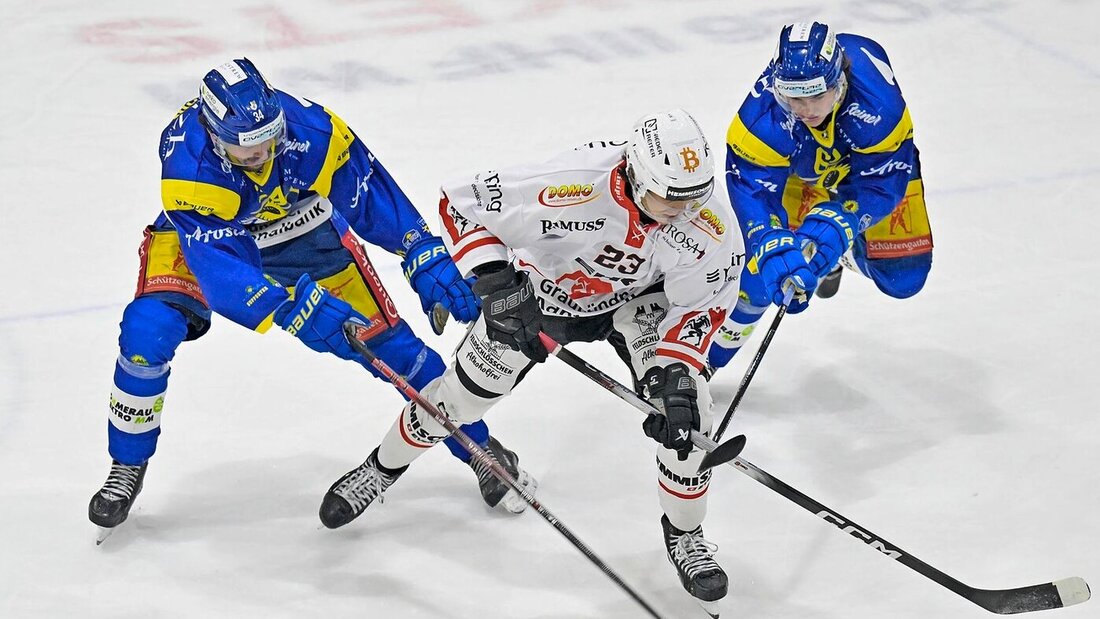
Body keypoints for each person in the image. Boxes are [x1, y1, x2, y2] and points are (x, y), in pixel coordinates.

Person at [88, 58, 536, 538]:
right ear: (216, 137)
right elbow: (220, 269)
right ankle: (127, 463)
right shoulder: (188, 167)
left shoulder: (313, 131)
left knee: (397, 352)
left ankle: (482, 452)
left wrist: (418, 249)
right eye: (248, 150)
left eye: (269, 139)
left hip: (301, 232)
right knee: (146, 332)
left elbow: (367, 193)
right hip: (207, 242)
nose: (263, 153)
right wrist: (285, 305)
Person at [322, 108, 746, 614]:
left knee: (689, 415)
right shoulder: (568, 186)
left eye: (693, 197)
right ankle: (381, 468)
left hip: (640, 304)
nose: (685, 210)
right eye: (670, 198)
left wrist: (678, 372)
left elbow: (703, 302)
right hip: (544, 298)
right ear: (635, 173)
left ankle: (685, 533)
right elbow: (460, 203)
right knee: (455, 401)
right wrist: (500, 288)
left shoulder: (707, 221)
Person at [707, 21, 933, 371]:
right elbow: (753, 191)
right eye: (794, 97)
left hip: (870, 167)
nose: (805, 108)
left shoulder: (879, 108)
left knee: (904, 278)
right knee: (763, 273)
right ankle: (704, 365)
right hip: (802, 172)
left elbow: (886, 177)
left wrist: (846, 222)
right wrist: (768, 240)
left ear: (840, 83)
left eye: (816, 95)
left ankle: (839, 253)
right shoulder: (759, 122)